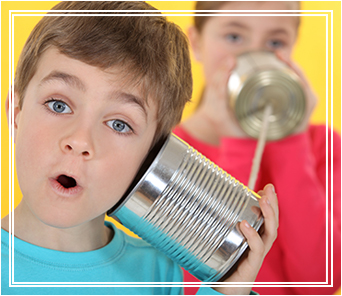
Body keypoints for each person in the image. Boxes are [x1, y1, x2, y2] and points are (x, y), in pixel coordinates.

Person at [1, 1, 279, 295]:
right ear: (15, 112)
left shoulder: (157, 272)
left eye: (119, 124)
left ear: (152, 158)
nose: (80, 141)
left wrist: (228, 291)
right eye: (59, 105)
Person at [173, 1, 341, 295]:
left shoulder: (322, 147)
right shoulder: (168, 151)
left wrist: (291, 141)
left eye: (275, 42)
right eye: (234, 37)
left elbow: (320, 282)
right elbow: (189, 285)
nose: (255, 55)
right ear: (197, 44)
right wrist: (237, 146)